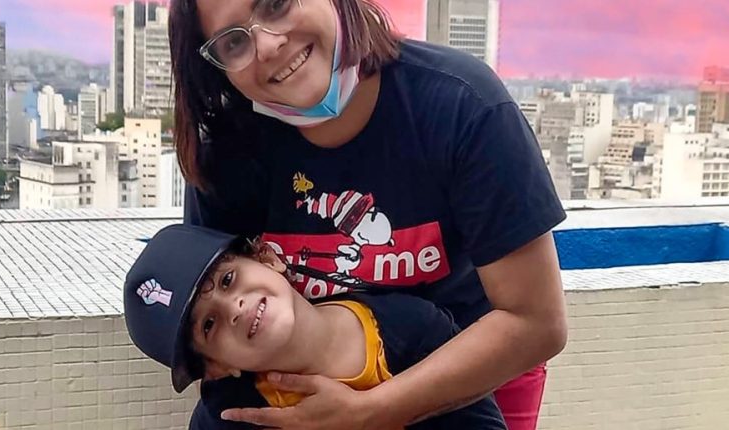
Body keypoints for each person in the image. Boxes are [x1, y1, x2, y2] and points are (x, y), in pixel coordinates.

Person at [169, 0, 569, 428]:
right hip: (312, 395)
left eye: (276, 4)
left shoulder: (460, 105)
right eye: (232, 43)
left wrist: (370, 412)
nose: (267, 45)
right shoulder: (225, 156)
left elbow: (535, 322)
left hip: (476, 374)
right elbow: (211, 325)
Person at [124, 224, 507, 430]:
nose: (233, 309)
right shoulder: (231, 416)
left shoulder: (413, 324)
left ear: (267, 258)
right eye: (209, 325)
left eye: (227, 280)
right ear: (217, 367)